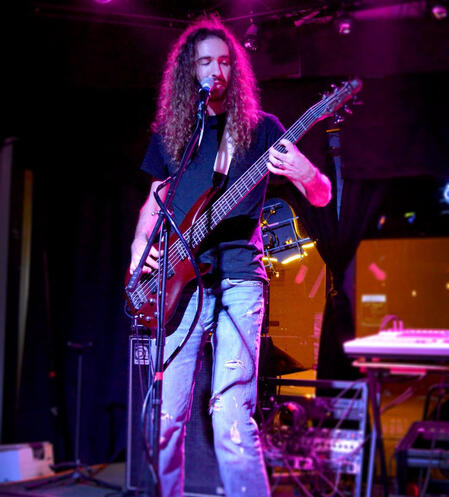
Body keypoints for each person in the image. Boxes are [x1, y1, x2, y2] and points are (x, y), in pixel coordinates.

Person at [129, 16, 332, 497]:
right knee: (165, 417)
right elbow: (153, 202)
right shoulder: (175, 133)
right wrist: (140, 249)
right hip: (179, 284)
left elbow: (322, 195)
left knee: (230, 413)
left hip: (239, 280)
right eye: (205, 62)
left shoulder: (262, 130)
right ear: (189, 71)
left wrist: (305, 174)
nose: (216, 70)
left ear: (234, 70)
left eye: (224, 61)